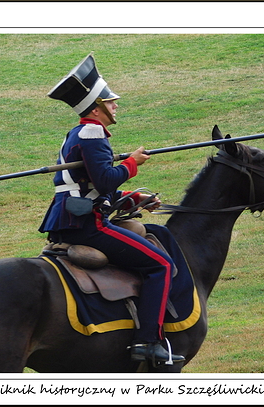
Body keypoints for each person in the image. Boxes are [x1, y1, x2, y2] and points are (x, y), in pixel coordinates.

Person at [39, 53, 185, 365]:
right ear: (96, 107)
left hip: (73, 217)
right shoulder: (93, 132)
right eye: (111, 101)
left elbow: (92, 185)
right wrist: (132, 163)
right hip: (88, 225)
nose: (116, 105)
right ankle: (148, 342)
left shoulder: (78, 133)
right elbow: (104, 180)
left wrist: (135, 198)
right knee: (160, 264)